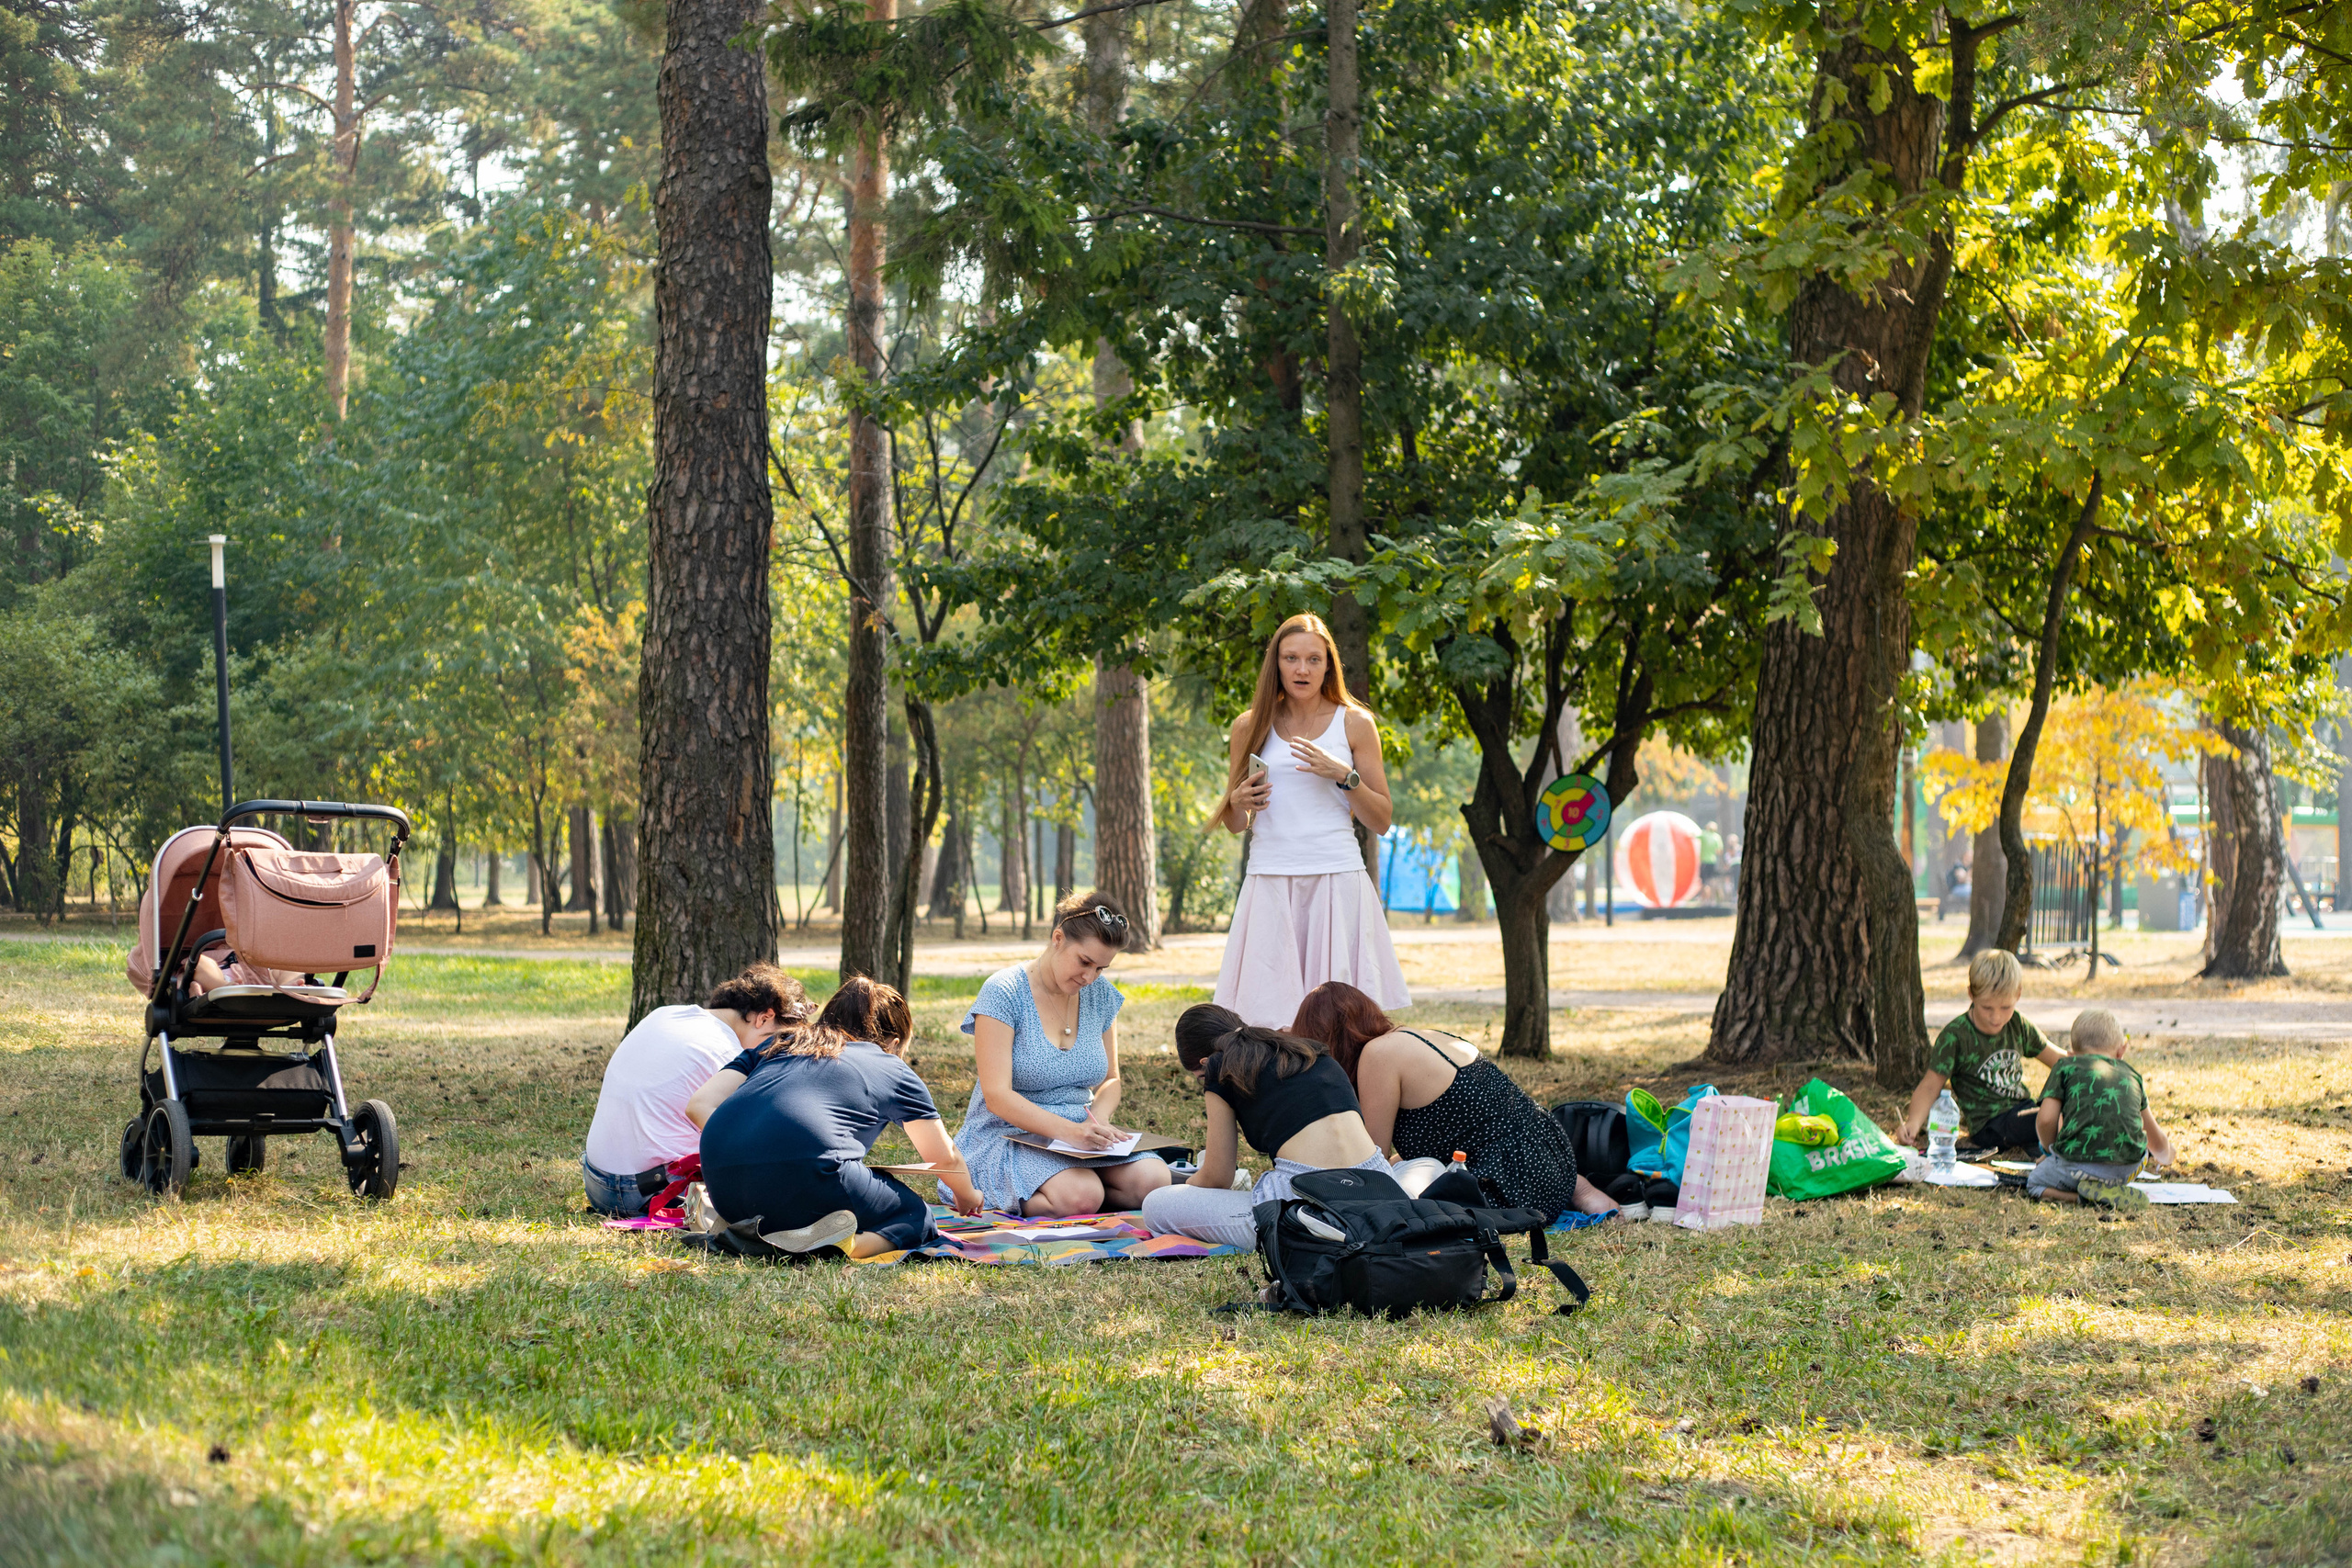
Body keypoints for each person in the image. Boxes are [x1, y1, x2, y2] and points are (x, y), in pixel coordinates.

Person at [684, 976, 983, 1257]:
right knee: (915, 1216)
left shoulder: (778, 1042)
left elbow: (700, 1103)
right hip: (807, 1175)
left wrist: (749, 1153)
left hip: (721, 1182)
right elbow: (944, 1158)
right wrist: (967, 1196)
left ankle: (749, 1229)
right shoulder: (890, 1066)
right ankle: (827, 1245)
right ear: (893, 1044)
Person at [1212, 612, 1409, 1029]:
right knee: (1269, 1019)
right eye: (1291, 658)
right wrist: (1238, 800)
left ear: (1329, 665)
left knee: (1342, 1022)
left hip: (1336, 881)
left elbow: (1382, 819)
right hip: (1270, 880)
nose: (1302, 669)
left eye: (1314, 659)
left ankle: (1346, 1093)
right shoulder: (1249, 725)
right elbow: (1234, 823)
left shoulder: (1355, 722)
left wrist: (1344, 775)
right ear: (1276, 664)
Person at [1290, 981, 1619, 1221]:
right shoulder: (1414, 1037)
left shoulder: (1378, 1054)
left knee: (1399, 1207)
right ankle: (1586, 1194)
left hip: (1511, 1183)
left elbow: (1368, 1160)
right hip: (1552, 1160)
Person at [954, 891, 1173, 1216]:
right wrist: (1071, 1133)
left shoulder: (1100, 995)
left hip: (1081, 1133)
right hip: (1008, 1132)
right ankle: (1074, 1196)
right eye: (1084, 962)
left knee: (1155, 1180)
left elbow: (1111, 1079)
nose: (1090, 977)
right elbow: (997, 1096)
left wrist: (1096, 1122)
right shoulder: (1003, 992)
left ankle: (1084, 1193)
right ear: (1058, 938)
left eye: (1101, 968)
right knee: (1081, 1195)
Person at [1139, 1005, 1393, 1247]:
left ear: (1205, 1063)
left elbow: (1217, 1177)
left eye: (1200, 1080)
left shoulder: (1219, 1066)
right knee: (1416, 1166)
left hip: (1306, 1200)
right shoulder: (1310, 1051)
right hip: (1380, 1186)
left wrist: (1189, 1187)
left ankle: (1313, 1235)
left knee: (1156, 1205)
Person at [581, 964, 806, 1217]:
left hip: (594, 1180)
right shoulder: (727, 1055)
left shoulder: (665, 1014)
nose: (772, 1053)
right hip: (645, 1193)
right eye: (776, 1040)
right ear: (763, 1017)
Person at [1895, 949, 2064, 1156]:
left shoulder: (2017, 1024)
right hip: (1990, 1125)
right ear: (1971, 994)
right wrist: (1912, 1123)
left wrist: (2093, 1062)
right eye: (1987, 1008)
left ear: (2018, 994)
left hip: (2022, 1110)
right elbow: (1930, 1086)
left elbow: (2059, 1060)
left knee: (2065, 1110)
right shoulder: (1955, 1036)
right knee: (2054, 1117)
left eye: (2005, 1007)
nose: (1996, 1017)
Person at [2030, 1007, 2174, 1211]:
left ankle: (2081, 1198)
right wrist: (2168, 1154)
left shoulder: (2065, 1067)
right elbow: (2155, 1139)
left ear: (2071, 1054)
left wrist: (2051, 1151)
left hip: (2075, 1166)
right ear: (2122, 1050)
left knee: (2034, 1184)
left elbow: (2045, 1120)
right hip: (2129, 1167)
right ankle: (2109, 1191)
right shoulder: (2132, 1075)